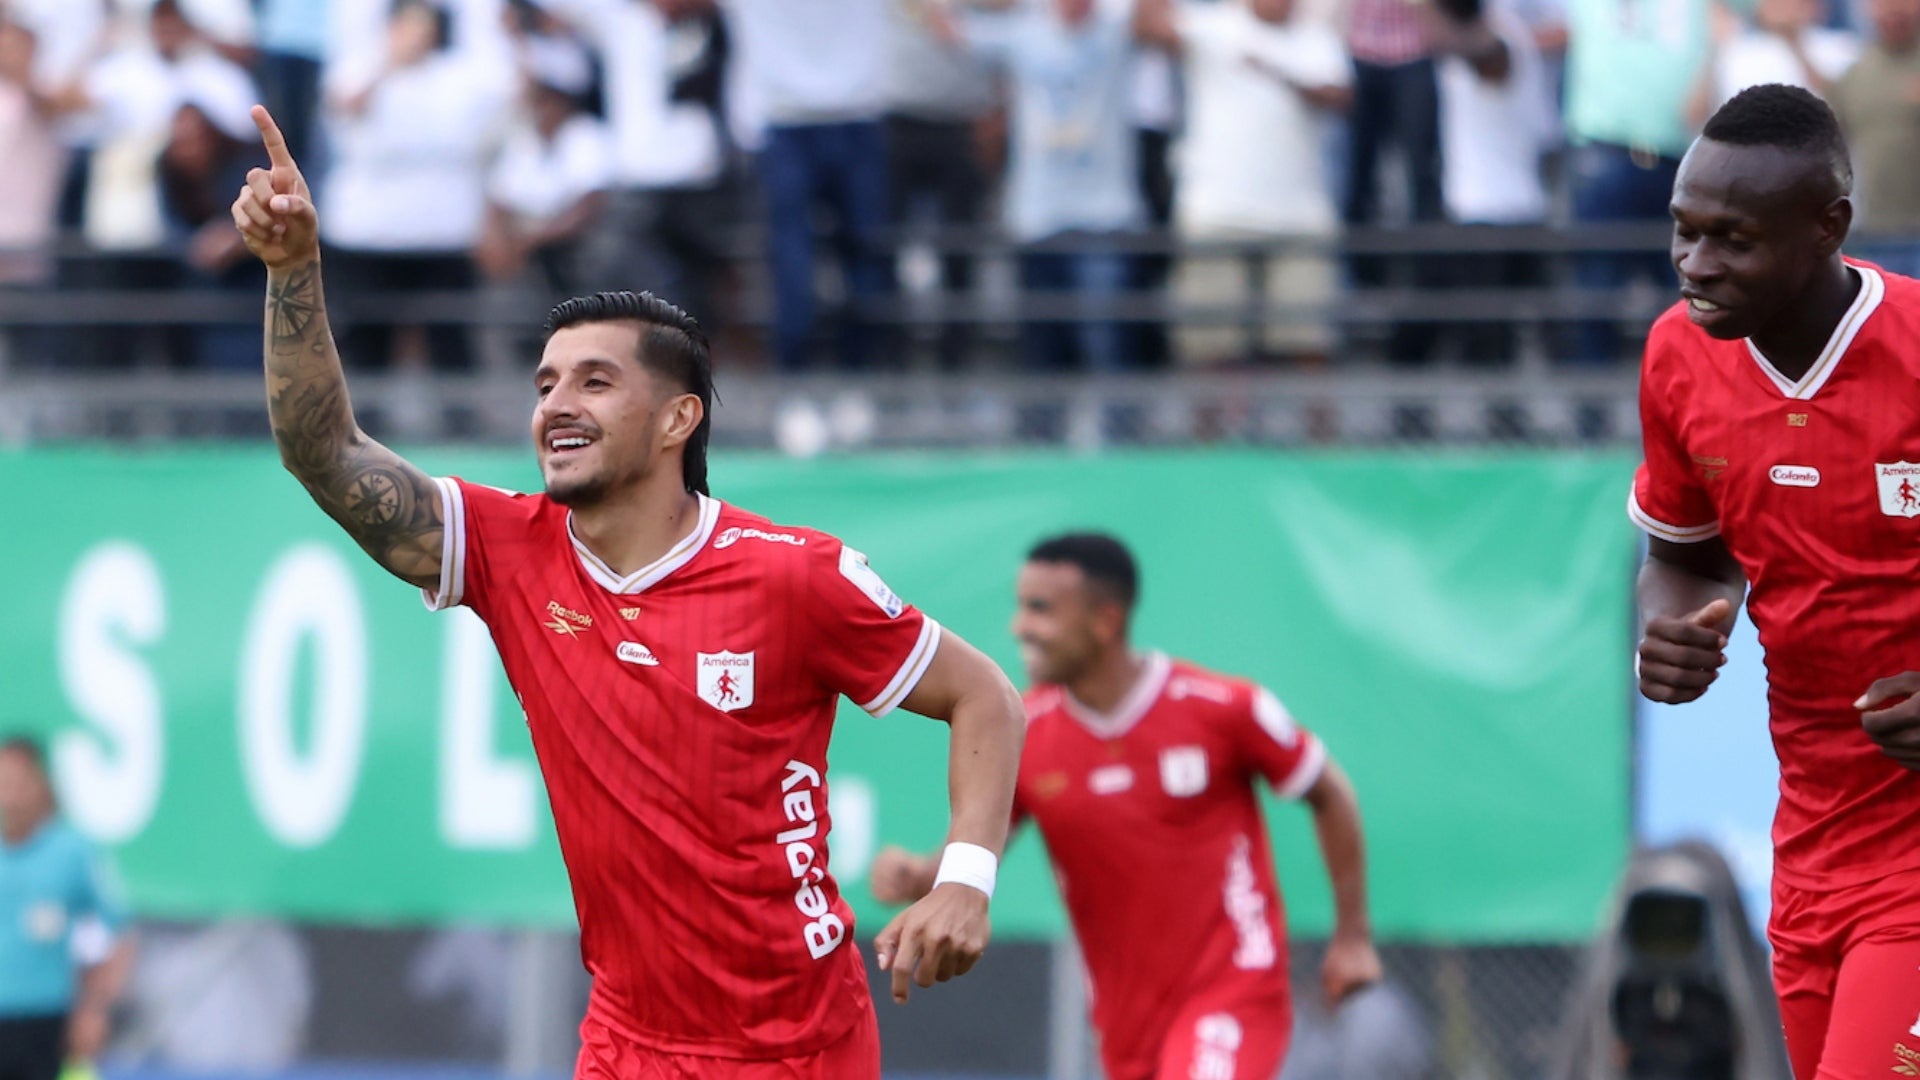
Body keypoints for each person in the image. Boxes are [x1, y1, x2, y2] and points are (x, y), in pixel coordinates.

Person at [227, 105, 1025, 1079]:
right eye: (546, 382)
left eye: (595, 383)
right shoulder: (510, 550)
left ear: (676, 420)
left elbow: (984, 693)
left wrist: (966, 880)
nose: (556, 404)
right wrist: (292, 271)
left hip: (798, 1046)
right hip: (628, 1043)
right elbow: (325, 453)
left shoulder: (794, 574)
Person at [1629, 83, 1920, 1080]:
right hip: (1812, 846)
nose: (1696, 267)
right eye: (1683, 232)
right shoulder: (1678, 357)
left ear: (1827, 227)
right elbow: (1683, 555)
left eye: (1733, 240)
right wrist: (1665, 632)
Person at [870, 533, 1381, 1080]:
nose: (1019, 627)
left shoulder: (1225, 708)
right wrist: (918, 876)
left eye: (1040, 609)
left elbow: (1329, 792)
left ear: (1105, 621)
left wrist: (1351, 936)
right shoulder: (1028, 732)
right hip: (1123, 1019)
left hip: (1233, 990)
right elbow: (973, 851)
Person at [0, 737, 134, 1080]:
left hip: (49, 1022)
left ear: (40, 785)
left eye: (17, 782)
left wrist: (94, 1008)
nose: (8, 795)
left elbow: (120, 932)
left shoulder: (72, 854)